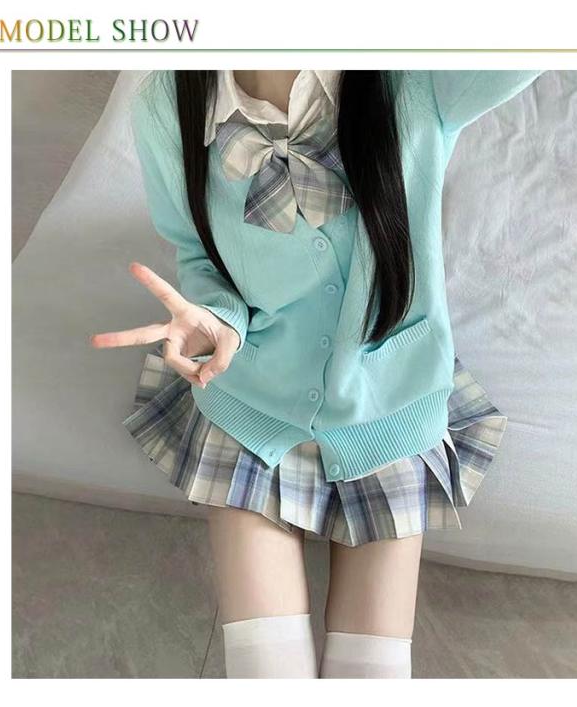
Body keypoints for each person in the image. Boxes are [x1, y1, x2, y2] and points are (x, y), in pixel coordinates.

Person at [91, 68, 543, 678]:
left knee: (373, 677)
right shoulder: (169, 100)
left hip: (385, 410)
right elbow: (197, 251)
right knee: (264, 675)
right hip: (251, 412)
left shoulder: (416, 76)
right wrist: (218, 321)